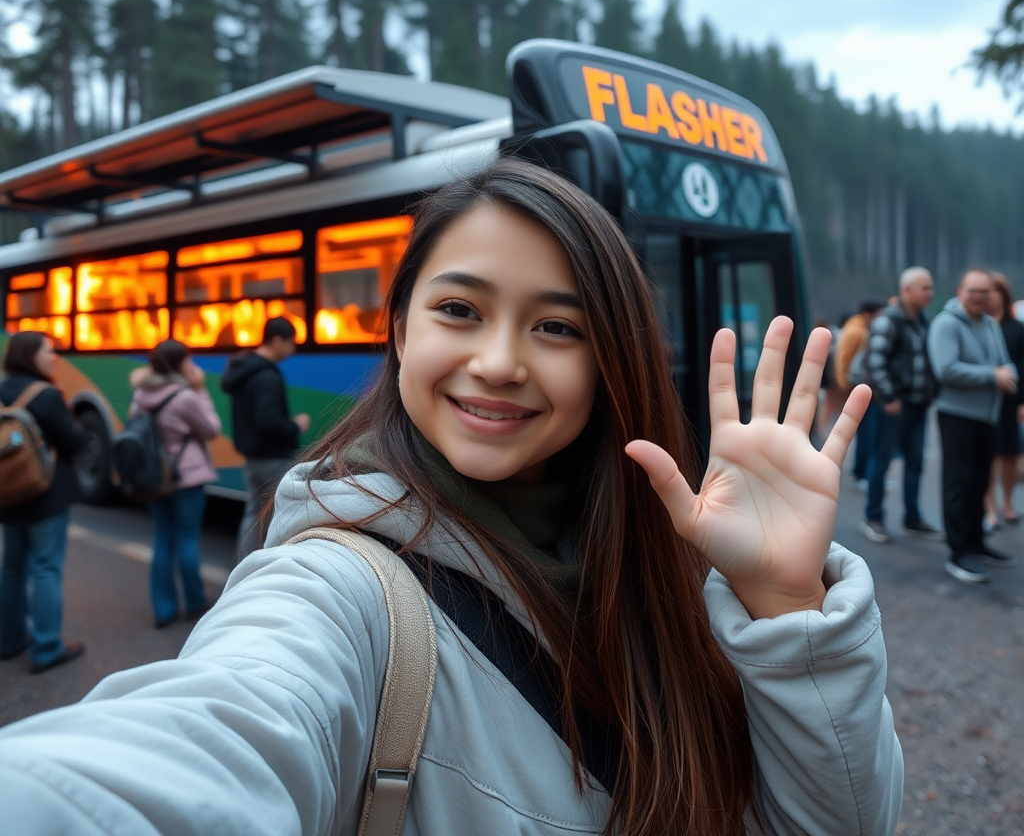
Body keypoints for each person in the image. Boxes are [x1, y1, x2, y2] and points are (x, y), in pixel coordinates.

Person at [0, 161, 901, 835]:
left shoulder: (685, 568)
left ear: (608, 361)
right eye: (459, 311)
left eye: (556, 327)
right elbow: (210, 738)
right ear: (397, 332)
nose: (500, 361)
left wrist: (787, 605)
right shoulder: (338, 589)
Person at [0, 332, 89, 673]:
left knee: (11, 568)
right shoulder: (46, 394)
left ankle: (9, 640)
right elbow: (72, 442)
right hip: (45, 493)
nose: (53, 357)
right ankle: (46, 647)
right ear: (30, 356)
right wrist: (79, 430)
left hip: (7, 493)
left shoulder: (2, 390)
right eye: (48, 352)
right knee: (46, 567)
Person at [928, 268, 1019, 584]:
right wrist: (992, 376)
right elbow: (946, 369)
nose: (979, 296)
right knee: (959, 482)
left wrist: (1008, 374)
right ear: (960, 290)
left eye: (985, 291)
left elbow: (1005, 362)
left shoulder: (989, 325)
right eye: (973, 290)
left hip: (986, 416)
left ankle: (976, 542)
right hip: (957, 414)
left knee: (980, 482)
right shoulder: (946, 323)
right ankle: (958, 552)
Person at [129, 340, 223, 627]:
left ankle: (163, 609)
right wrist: (201, 389)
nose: (193, 366)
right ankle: (194, 602)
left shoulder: (141, 396)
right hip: (187, 476)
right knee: (186, 538)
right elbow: (212, 429)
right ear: (178, 364)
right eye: (189, 361)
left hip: (155, 476)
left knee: (162, 539)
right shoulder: (185, 396)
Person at [860, 268, 941, 543]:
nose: (930, 293)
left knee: (915, 462)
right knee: (881, 460)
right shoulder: (888, 321)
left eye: (930, 288)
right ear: (907, 290)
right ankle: (873, 517)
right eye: (925, 288)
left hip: (917, 404)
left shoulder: (922, 320)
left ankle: (913, 519)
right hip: (894, 404)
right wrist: (888, 397)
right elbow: (875, 362)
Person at [221, 317, 310, 559]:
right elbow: (268, 421)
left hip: (252, 458)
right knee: (279, 518)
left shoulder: (245, 370)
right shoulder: (266, 376)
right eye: (291, 343)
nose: (292, 350)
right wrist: (295, 425)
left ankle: (243, 566)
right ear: (277, 340)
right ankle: (267, 571)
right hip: (273, 458)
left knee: (254, 515)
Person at [983, 273, 1024, 529]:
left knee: (1009, 453)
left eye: (995, 291)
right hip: (984, 398)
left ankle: (1007, 501)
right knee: (987, 455)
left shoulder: (1016, 328)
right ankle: (989, 508)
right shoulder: (979, 326)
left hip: (1011, 399)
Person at [834, 298, 885, 483]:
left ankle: (861, 471)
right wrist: (845, 384)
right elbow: (845, 359)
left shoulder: (855, 328)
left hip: (853, 384)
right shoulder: (859, 331)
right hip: (856, 385)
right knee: (865, 431)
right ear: (868, 314)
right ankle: (861, 472)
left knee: (863, 429)